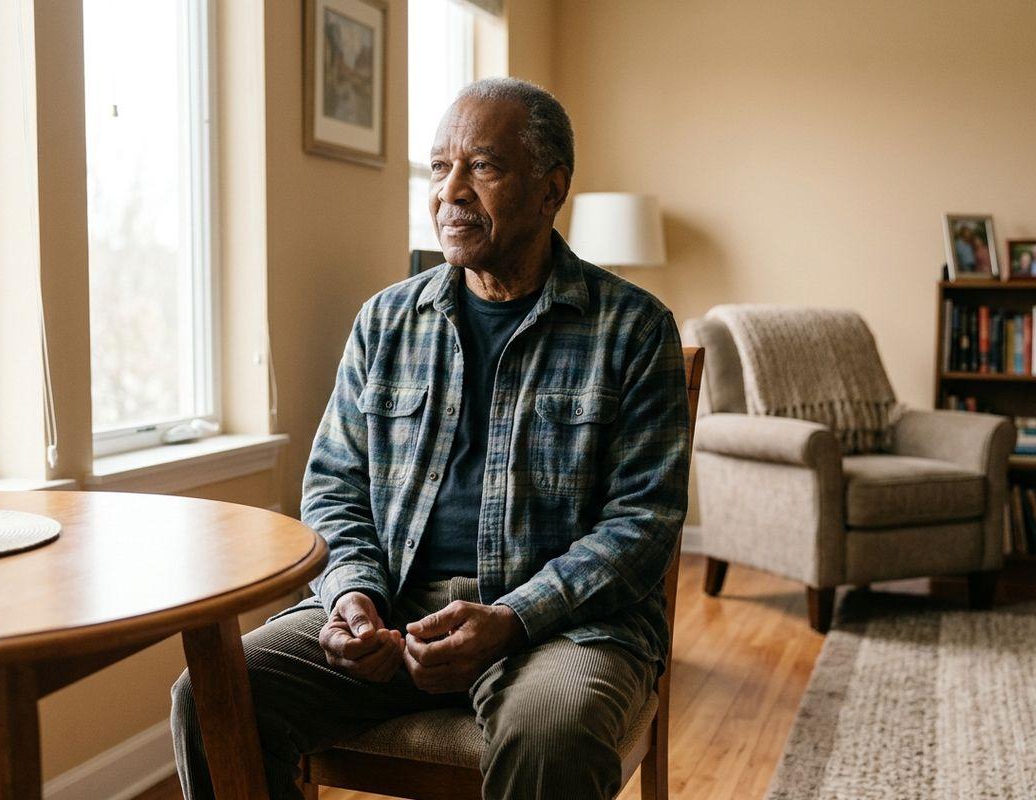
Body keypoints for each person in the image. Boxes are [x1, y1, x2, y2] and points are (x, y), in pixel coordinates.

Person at [170, 77, 690, 800]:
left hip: (561, 628)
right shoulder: (384, 322)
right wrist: (352, 593)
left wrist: (514, 618)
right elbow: (334, 484)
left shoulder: (633, 328)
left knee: (553, 733)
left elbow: (643, 523)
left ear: (551, 189)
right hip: (394, 608)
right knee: (214, 692)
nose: (450, 192)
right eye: (440, 167)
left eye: (483, 166)